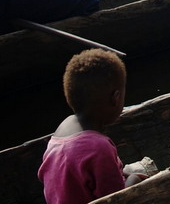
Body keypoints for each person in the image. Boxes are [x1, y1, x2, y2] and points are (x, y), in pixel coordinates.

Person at [39, 49, 152, 204]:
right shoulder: (99, 147)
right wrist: (133, 180)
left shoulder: (62, 129)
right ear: (116, 98)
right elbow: (117, 200)